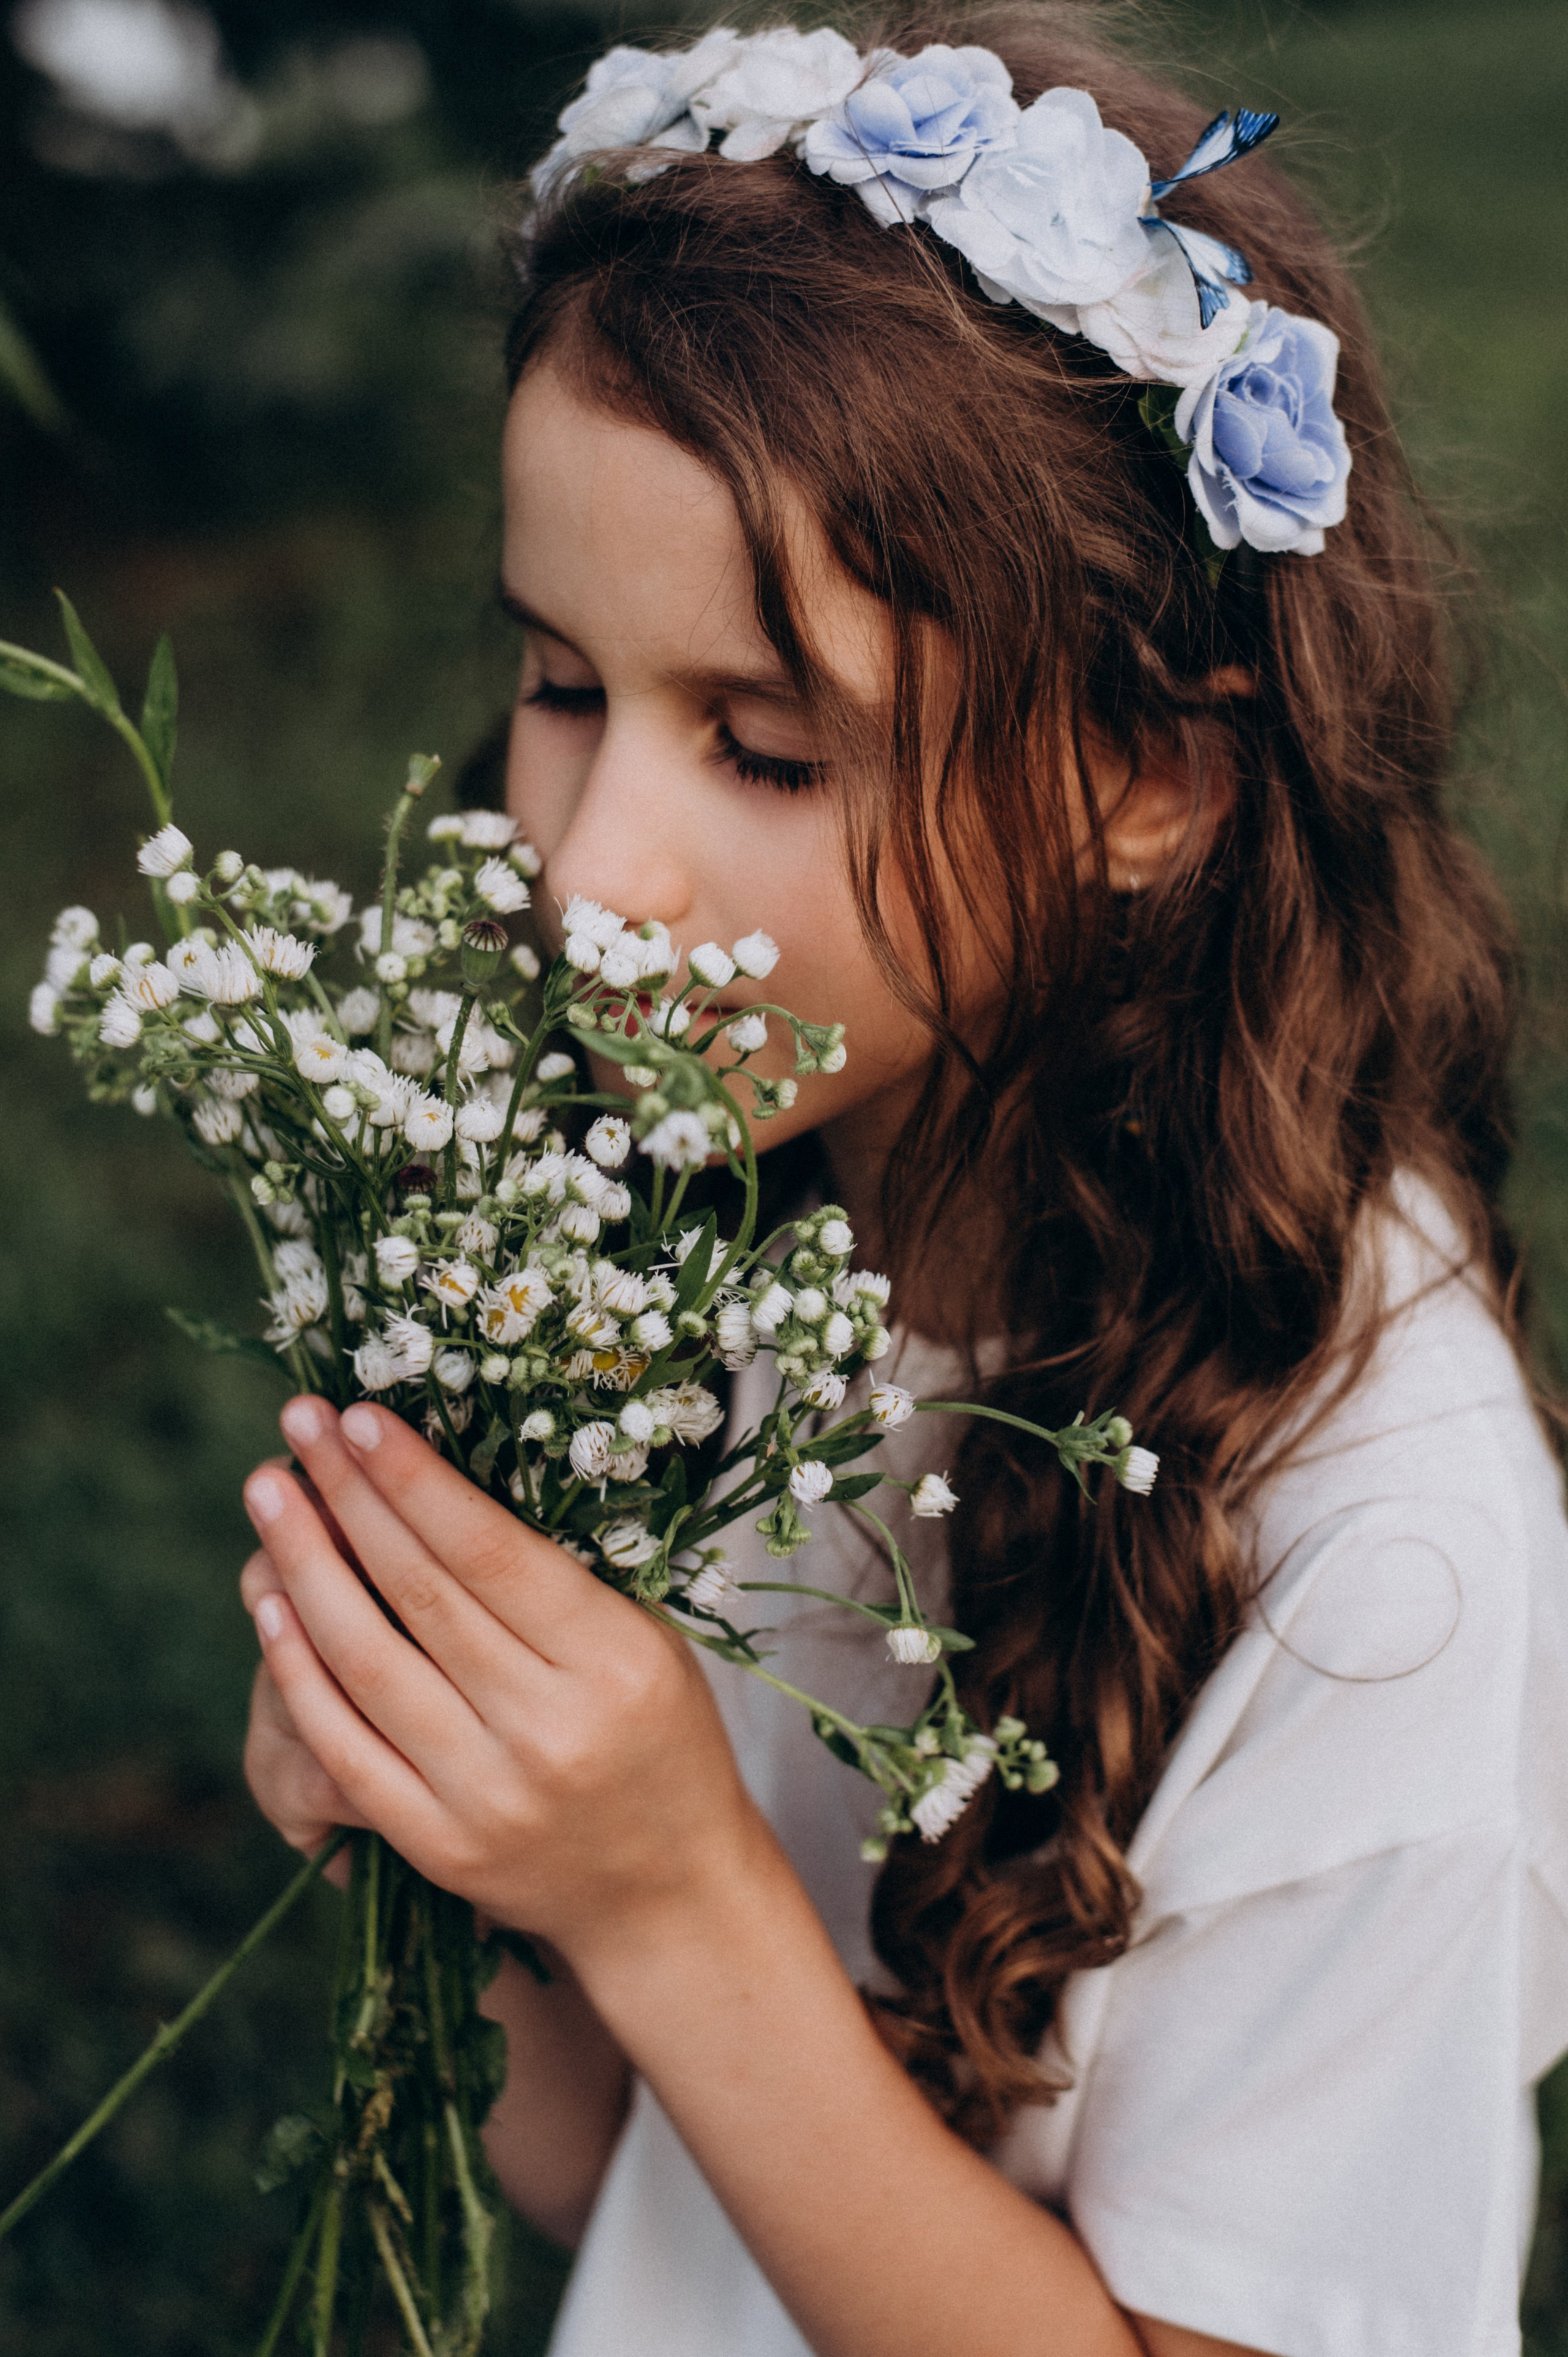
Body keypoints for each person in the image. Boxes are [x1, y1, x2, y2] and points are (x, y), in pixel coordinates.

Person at [234, 7, 1568, 2351]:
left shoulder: (1396, 1572)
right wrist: (445, 1835)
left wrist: (666, 1893)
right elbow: (623, 2191)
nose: (583, 875)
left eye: (766, 746)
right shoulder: (696, 1224)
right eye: (561, 687)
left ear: (1157, 782)